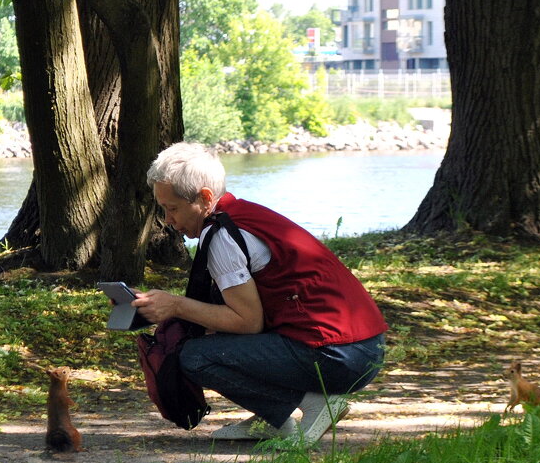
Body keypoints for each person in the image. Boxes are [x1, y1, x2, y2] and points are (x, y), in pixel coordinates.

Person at [132, 142, 387, 444]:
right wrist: (153, 305)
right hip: (364, 348)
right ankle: (274, 416)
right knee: (210, 331)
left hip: (340, 356)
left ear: (204, 198)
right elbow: (236, 313)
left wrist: (175, 305)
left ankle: (312, 405)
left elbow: (248, 323)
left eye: (172, 208)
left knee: (194, 357)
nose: (168, 219)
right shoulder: (242, 215)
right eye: (163, 208)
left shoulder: (224, 237)